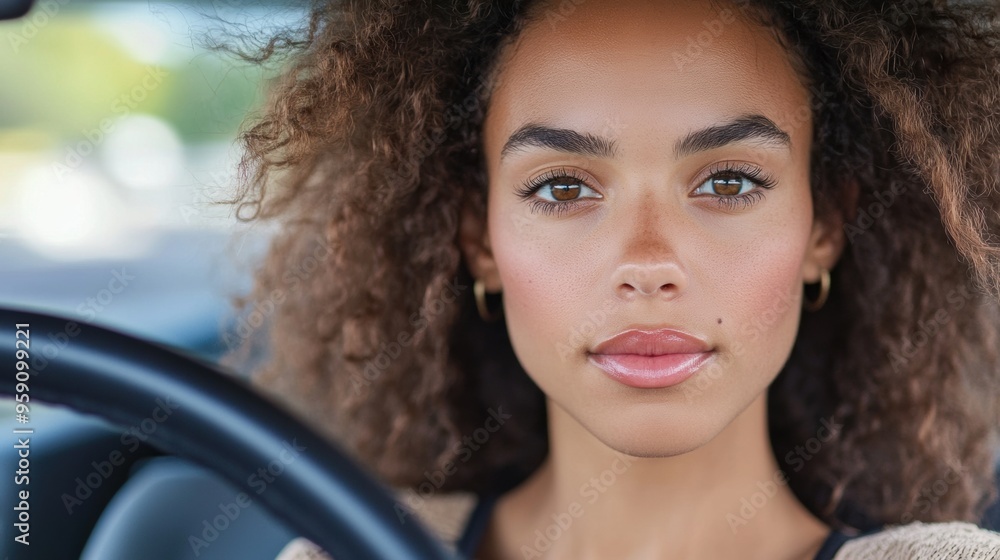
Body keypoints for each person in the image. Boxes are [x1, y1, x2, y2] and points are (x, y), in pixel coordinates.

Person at [227, 0, 1000, 558]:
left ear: (824, 229)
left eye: (728, 183)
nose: (648, 263)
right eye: (563, 189)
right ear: (479, 238)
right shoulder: (350, 549)